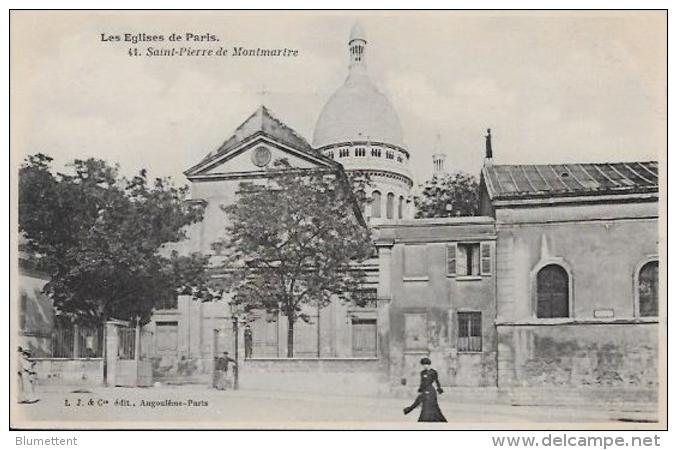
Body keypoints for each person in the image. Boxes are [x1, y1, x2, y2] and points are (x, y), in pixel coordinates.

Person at [403, 357, 446, 422]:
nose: (425, 366)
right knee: (419, 402)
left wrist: (439, 390)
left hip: (431, 391)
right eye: (423, 364)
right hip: (424, 390)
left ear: (429, 364)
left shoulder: (433, 372)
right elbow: (422, 383)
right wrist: (420, 390)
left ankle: (432, 419)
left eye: (426, 364)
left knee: (431, 405)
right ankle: (412, 412)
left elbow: (437, 381)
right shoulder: (422, 373)